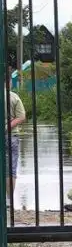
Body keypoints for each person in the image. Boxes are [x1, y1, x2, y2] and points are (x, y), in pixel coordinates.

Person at [4, 65, 25, 205]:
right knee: (10, 169)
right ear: (9, 82)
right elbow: (21, 117)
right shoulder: (13, 97)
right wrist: (7, 127)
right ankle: (8, 201)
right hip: (11, 136)